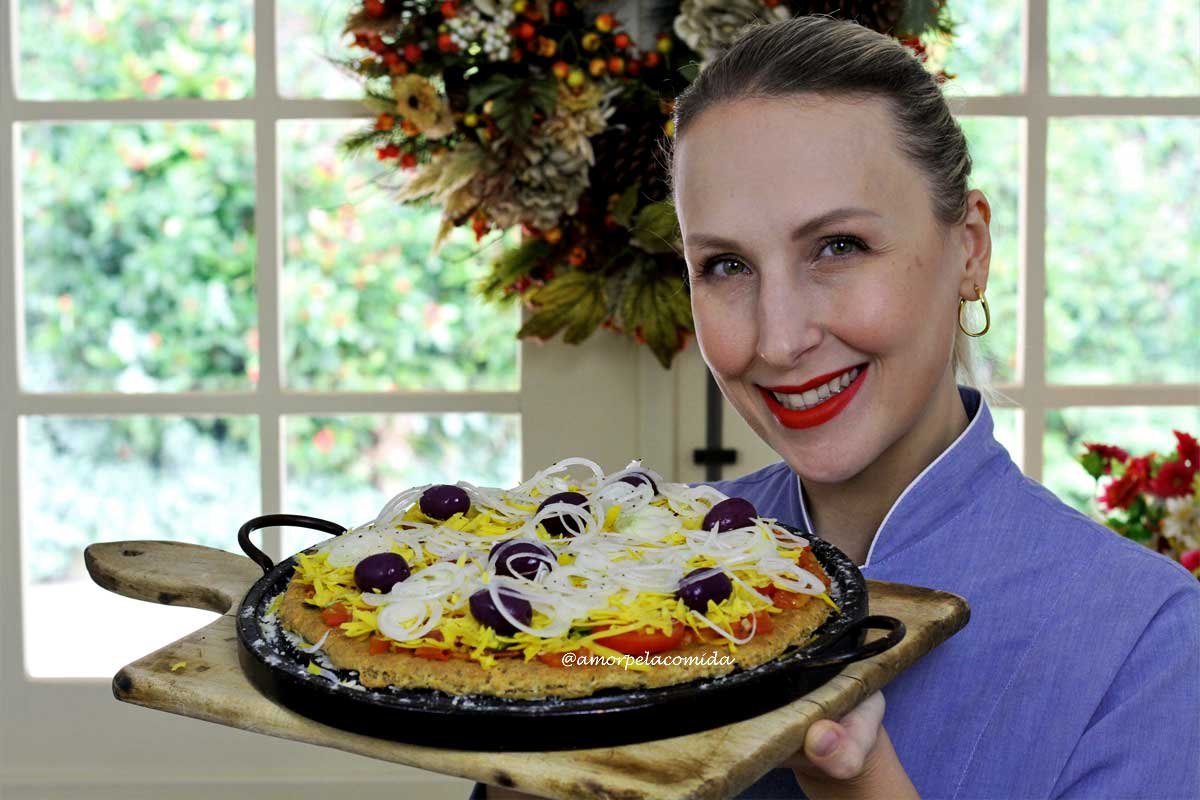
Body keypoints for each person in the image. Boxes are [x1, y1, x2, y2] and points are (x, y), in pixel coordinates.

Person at [474, 14, 1200, 800]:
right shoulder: (631, 572)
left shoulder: (1148, 641)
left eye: (839, 246)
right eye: (724, 265)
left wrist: (857, 783)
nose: (779, 339)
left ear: (971, 249)